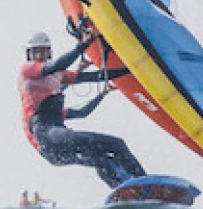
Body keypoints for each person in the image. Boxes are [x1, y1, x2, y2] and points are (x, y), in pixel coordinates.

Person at [18, 29, 143, 188]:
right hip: (46, 138)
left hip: (58, 141)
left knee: (108, 152)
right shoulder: (27, 70)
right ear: (29, 54)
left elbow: (94, 79)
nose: (39, 55)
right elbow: (58, 64)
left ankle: (134, 188)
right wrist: (84, 44)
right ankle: (142, 184)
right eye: (35, 52)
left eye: (43, 51)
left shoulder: (58, 78)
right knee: (105, 147)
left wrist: (131, 70)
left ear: (49, 53)